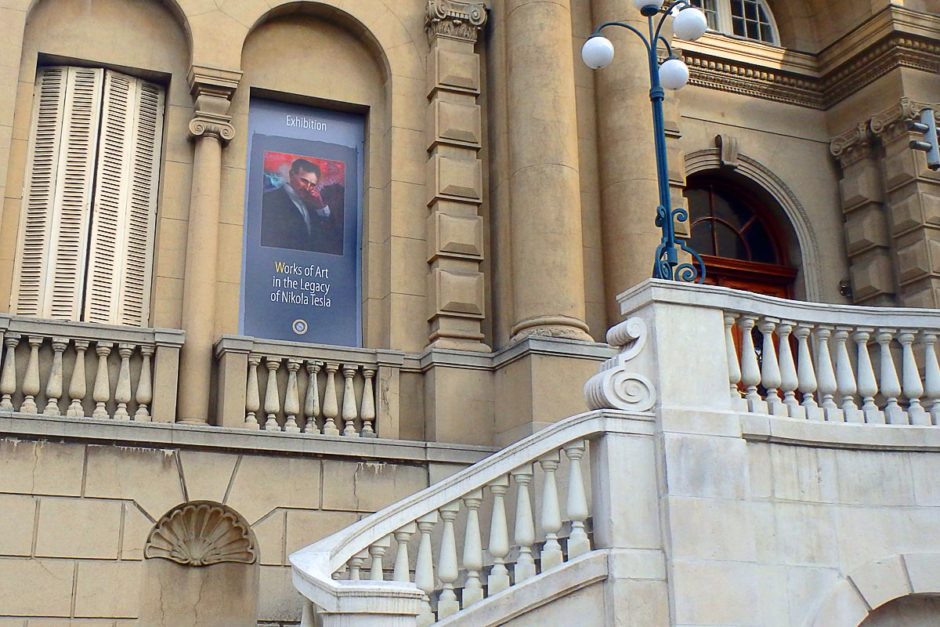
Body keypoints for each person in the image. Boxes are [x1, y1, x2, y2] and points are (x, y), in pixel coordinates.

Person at [261, 158, 343, 254]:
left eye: (312, 184)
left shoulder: (312, 204)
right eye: (304, 181)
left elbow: (329, 236)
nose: (307, 188)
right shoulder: (269, 199)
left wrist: (320, 206)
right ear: (291, 175)